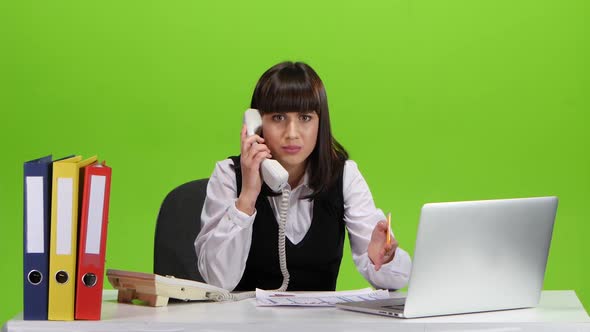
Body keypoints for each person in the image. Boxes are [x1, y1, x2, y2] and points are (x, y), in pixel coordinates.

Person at [194, 61, 411, 292]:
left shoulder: (344, 175)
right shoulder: (228, 175)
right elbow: (216, 280)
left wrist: (384, 259)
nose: (292, 133)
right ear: (256, 124)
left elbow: (398, 280)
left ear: (321, 122)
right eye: (278, 117)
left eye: (305, 118)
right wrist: (247, 196)